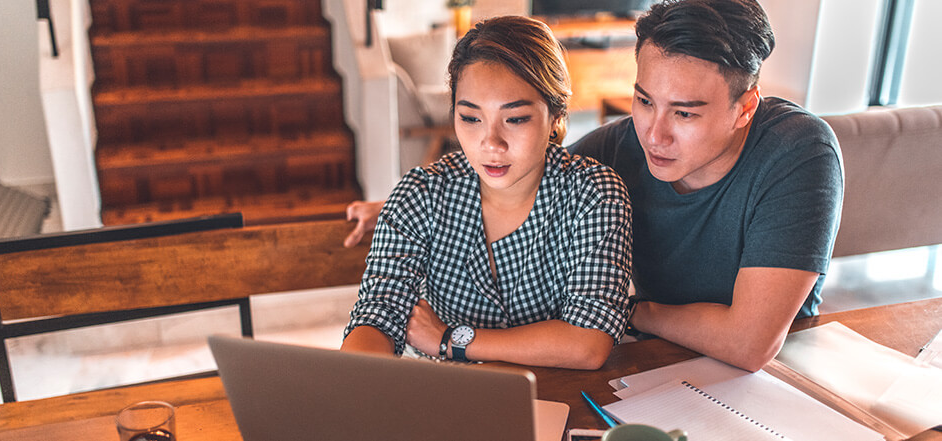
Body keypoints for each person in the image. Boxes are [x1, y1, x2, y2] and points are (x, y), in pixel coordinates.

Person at [343, 0, 843, 373]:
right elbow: (521, 168)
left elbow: (750, 344)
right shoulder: (619, 149)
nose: (655, 133)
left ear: (745, 107)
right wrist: (397, 207)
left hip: (776, 377)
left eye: (685, 113)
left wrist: (625, 312)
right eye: (644, 101)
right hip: (651, 365)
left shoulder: (796, 151)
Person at [340, 16, 633, 370]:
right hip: (451, 399)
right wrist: (354, 383)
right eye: (470, 118)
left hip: (560, 396)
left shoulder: (594, 195)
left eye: (516, 118)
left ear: (556, 115)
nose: (490, 144)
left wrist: (451, 340)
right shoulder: (420, 195)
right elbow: (378, 315)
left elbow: (588, 342)